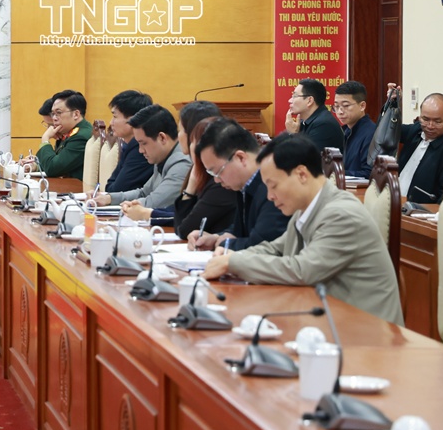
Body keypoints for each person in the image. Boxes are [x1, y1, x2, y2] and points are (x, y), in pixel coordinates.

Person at [201, 134, 403, 325]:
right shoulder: (306, 209)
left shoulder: (341, 214)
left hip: (367, 333)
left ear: (301, 174)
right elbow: (275, 249)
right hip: (330, 321)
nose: (269, 196)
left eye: (273, 186)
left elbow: (302, 270)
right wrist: (229, 256)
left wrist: (234, 262)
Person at [188, 118, 289, 250]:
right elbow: (239, 232)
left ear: (240, 158)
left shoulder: (272, 185)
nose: (217, 180)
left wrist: (223, 243)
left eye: (218, 172)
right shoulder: (245, 184)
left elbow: (262, 245)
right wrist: (216, 238)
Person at [95, 105, 191, 219]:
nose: (140, 150)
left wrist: (128, 206)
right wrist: (109, 198)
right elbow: (144, 192)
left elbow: (154, 203)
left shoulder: (182, 163)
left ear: (162, 138)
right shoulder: (162, 157)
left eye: (143, 143)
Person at [173, 115, 237, 238]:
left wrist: (190, 189)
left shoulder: (221, 185)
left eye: (193, 142)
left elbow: (184, 229)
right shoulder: (209, 178)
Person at [389, 84, 443, 203]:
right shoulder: (416, 130)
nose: (430, 126)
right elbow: (386, 131)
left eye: (437, 121)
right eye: (425, 119)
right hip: (395, 202)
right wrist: (392, 104)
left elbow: (442, 198)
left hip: (422, 210)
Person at [25, 89, 92, 179]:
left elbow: (52, 168)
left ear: (76, 114)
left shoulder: (81, 137)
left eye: (58, 113)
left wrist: (45, 139)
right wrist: (35, 166)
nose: (54, 118)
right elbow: (55, 162)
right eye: (53, 114)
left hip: (76, 186)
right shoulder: (68, 132)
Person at [102, 90, 154, 193]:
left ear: (132, 120)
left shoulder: (141, 150)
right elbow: (110, 185)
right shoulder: (130, 145)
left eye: (115, 117)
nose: (111, 122)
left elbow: (117, 190)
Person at [283, 78, 345, 152]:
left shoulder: (323, 125)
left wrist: (292, 134)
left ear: (309, 101)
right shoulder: (304, 122)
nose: (289, 100)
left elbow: (305, 157)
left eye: (295, 96)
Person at [334, 81, 376, 178]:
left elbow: (369, 173)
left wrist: (336, 174)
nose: (340, 111)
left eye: (345, 106)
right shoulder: (345, 130)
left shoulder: (371, 133)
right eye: (336, 106)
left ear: (362, 106)